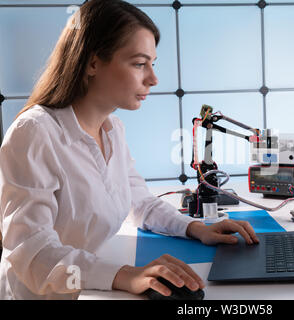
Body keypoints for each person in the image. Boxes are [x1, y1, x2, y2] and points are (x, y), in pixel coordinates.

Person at [0, 0, 258, 300]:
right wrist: (125, 276)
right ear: (93, 62)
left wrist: (197, 228)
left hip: (96, 288)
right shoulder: (34, 132)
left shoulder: (113, 130)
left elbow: (141, 204)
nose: (153, 78)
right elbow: (31, 251)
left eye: (152, 63)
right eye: (139, 64)